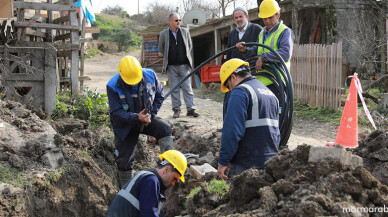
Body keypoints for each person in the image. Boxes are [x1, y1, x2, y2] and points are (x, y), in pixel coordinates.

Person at [106, 56, 173, 187]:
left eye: (136, 80)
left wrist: (151, 114)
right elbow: (116, 112)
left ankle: (168, 170)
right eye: (131, 82)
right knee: (125, 161)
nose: (134, 84)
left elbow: (159, 94)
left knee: (165, 129)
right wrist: (136, 117)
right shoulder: (113, 86)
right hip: (126, 124)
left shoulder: (150, 75)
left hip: (146, 118)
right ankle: (125, 189)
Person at [217, 58, 280, 180]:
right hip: (270, 164)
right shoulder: (271, 94)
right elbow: (277, 134)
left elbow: (232, 132)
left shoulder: (240, 92)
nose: (230, 90)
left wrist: (223, 161)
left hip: (246, 164)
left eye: (228, 85)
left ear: (233, 77)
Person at [236, 0, 293, 99]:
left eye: (270, 17)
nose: (267, 21)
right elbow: (257, 51)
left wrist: (263, 58)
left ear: (278, 16)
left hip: (276, 81)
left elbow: (285, 53)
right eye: (264, 18)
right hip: (261, 80)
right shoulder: (262, 32)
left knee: (277, 113)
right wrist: (245, 50)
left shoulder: (285, 32)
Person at [106, 150, 187, 217]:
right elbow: (149, 214)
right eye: (174, 179)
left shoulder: (147, 176)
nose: (173, 184)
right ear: (166, 170)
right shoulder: (150, 181)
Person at [158, 12, 199, 119]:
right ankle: (176, 110)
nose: (179, 22)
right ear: (170, 21)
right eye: (176, 20)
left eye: (179, 20)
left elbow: (189, 46)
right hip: (171, 66)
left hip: (184, 65)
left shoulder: (185, 32)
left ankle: (191, 109)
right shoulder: (163, 34)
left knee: (187, 87)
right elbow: (161, 49)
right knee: (174, 88)